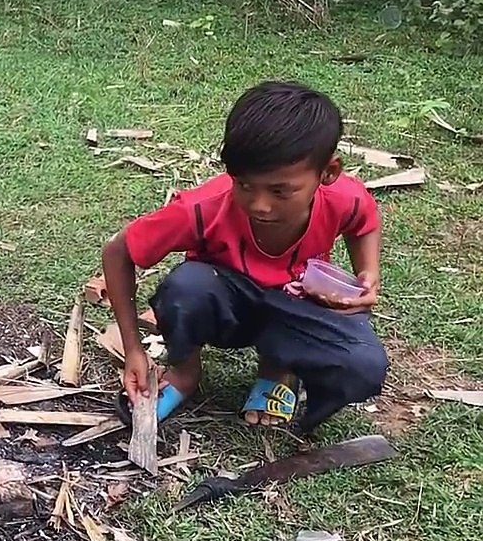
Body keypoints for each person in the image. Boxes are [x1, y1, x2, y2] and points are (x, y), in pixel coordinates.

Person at [101, 81, 388, 436]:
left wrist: (368, 272)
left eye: (280, 191)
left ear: (328, 172)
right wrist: (133, 349)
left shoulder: (343, 197)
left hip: (298, 304)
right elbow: (117, 251)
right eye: (245, 185)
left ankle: (279, 369)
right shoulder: (202, 209)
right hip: (228, 306)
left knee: (364, 365)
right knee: (186, 287)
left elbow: (364, 221)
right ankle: (184, 374)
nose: (259, 205)